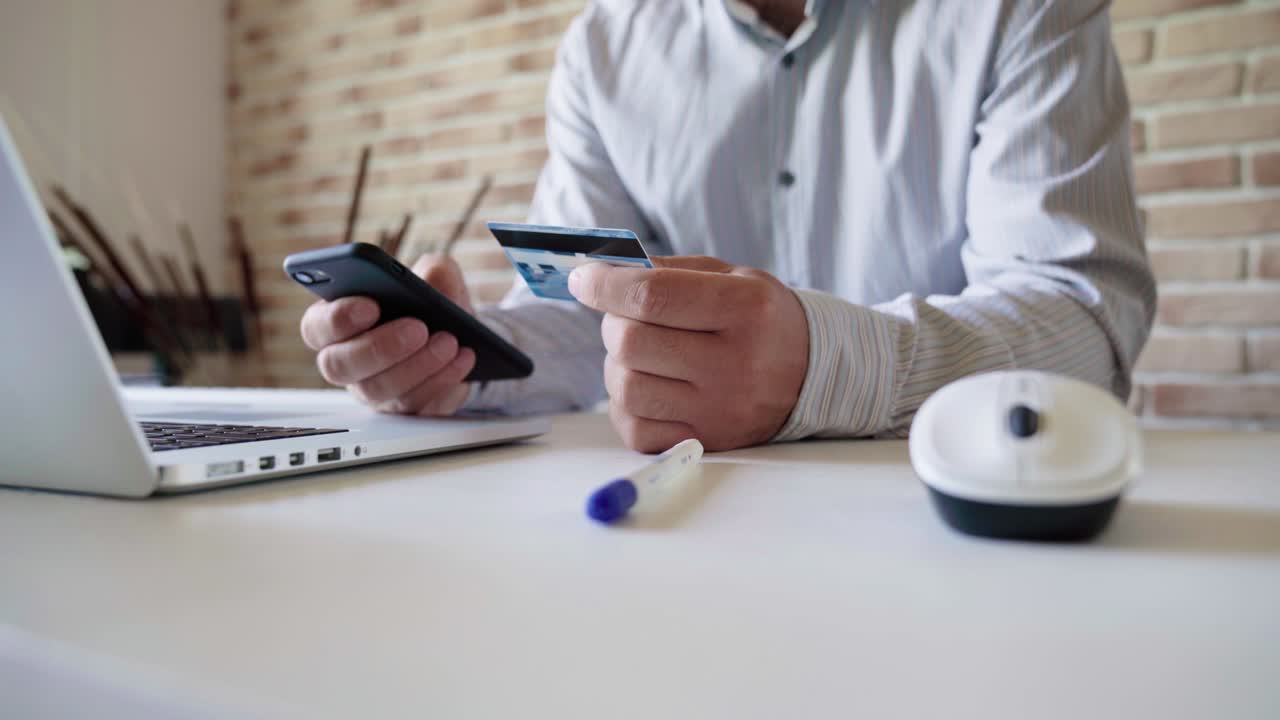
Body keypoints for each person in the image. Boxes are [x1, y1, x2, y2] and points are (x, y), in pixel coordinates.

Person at [300, 0, 1155, 452]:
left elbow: (1083, 319)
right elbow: (583, 314)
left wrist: (825, 365)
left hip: (957, 528)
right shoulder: (604, 47)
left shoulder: (1023, 6)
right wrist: (460, 355)